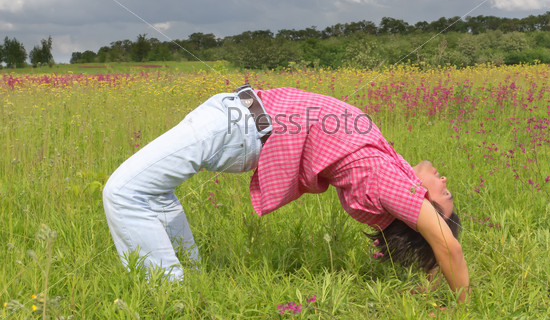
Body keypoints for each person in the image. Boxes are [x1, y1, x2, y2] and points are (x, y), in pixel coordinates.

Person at [103, 84, 470, 302]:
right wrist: (431, 278)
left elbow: (447, 246)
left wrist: (463, 306)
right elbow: (440, 250)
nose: (444, 178)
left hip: (236, 128)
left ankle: (168, 299)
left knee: (123, 192)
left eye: (445, 192)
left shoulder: (387, 180)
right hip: (235, 116)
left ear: (422, 204)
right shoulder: (387, 164)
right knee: (154, 194)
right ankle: (190, 286)